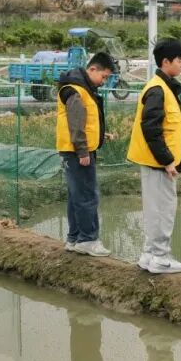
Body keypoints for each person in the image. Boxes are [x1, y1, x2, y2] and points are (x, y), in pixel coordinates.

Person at [127, 38, 181, 274]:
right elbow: (151, 128)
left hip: (159, 162)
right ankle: (161, 259)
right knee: (163, 210)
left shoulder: (166, 88)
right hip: (158, 163)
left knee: (157, 209)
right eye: (180, 60)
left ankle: (149, 255)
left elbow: (173, 127)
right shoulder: (157, 90)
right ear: (166, 62)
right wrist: (166, 160)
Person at [57, 52, 115, 257]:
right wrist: (82, 150)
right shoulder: (76, 90)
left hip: (75, 149)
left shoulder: (81, 88)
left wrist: (100, 134)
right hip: (78, 152)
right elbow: (75, 123)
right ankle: (88, 239)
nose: (104, 81)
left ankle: (74, 238)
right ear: (92, 69)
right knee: (87, 196)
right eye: (104, 76)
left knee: (76, 196)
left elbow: (84, 121)